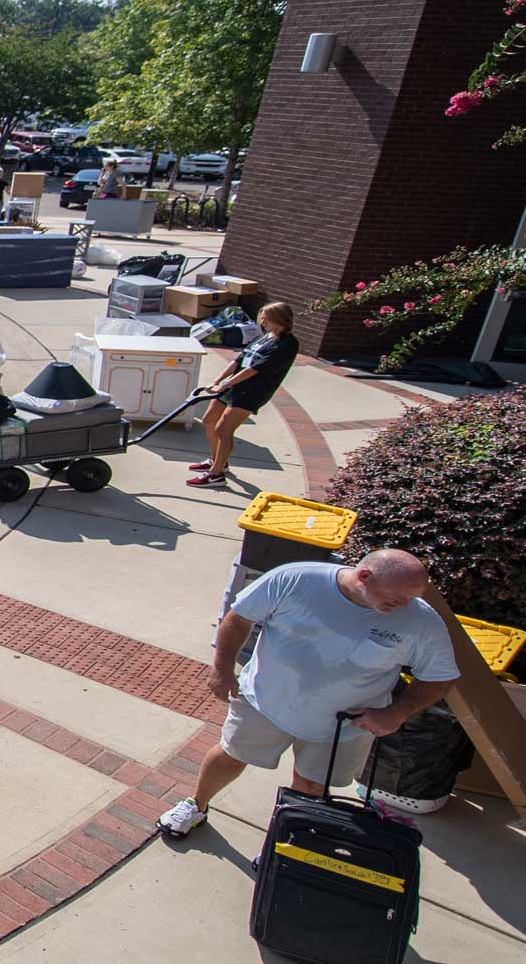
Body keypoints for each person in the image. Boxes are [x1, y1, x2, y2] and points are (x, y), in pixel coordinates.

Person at [158, 550, 461, 839]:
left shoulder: (420, 621)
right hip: (265, 701)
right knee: (231, 755)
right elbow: (239, 618)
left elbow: (439, 676)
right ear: (364, 576)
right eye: (398, 597)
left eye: (412, 598)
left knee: (311, 786)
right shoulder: (295, 580)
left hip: (343, 726)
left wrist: (397, 713)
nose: (405, 606)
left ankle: (287, 840)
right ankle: (196, 804)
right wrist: (222, 669)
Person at [188, 302, 300, 489]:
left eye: (266, 318)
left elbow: (256, 368)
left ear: (278, 318)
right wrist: (217, 381)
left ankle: (216, 475)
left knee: (223, 430)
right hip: (233, 385)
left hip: (252, 391)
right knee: (209, 420)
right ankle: (217, 461)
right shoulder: (265, 337)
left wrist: (226, 384)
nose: (262, 322)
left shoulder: (287, 344)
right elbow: (239, 361)